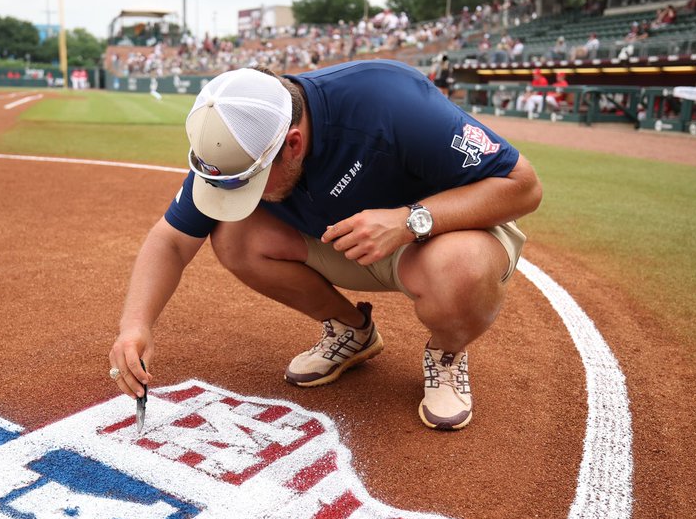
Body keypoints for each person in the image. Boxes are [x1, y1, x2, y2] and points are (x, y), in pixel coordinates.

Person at [108, 61, 542, 431]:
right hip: (344, 241)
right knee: (234, 234)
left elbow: (523, 187)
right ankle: (352, 331)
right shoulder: (239, 140)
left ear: (292, 143)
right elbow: (171, 240)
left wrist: (409, 221)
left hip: (443, 232)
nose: (248, 195)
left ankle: (447, 353)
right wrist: (135, 325)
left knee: (460, 267)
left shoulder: (388, 101)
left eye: (254, 183)